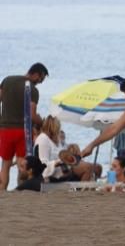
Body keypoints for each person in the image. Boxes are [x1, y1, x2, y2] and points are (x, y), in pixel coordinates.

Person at [0, 62, 48, 192]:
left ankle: (2, 190)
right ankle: (21, 190)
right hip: (23, 130)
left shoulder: (7, 81)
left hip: (5, 129)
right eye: (41, 78)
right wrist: (41, 122)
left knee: (5, 163)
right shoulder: (32, 89)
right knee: (23, 163)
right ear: (36, 74)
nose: (40, 82)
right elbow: (32, 115)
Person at [34, 115, 101, 182]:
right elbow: (43, 165)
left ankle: (89, 188)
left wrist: (72, 149)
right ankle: (81, 190)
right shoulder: (43, 139)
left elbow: (64, 150)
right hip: (56, 170)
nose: (59, 132)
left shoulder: (56, 139)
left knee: (98, 168)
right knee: (87, 168)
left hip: (66, 165)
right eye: (58, 129)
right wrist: (57, 162)